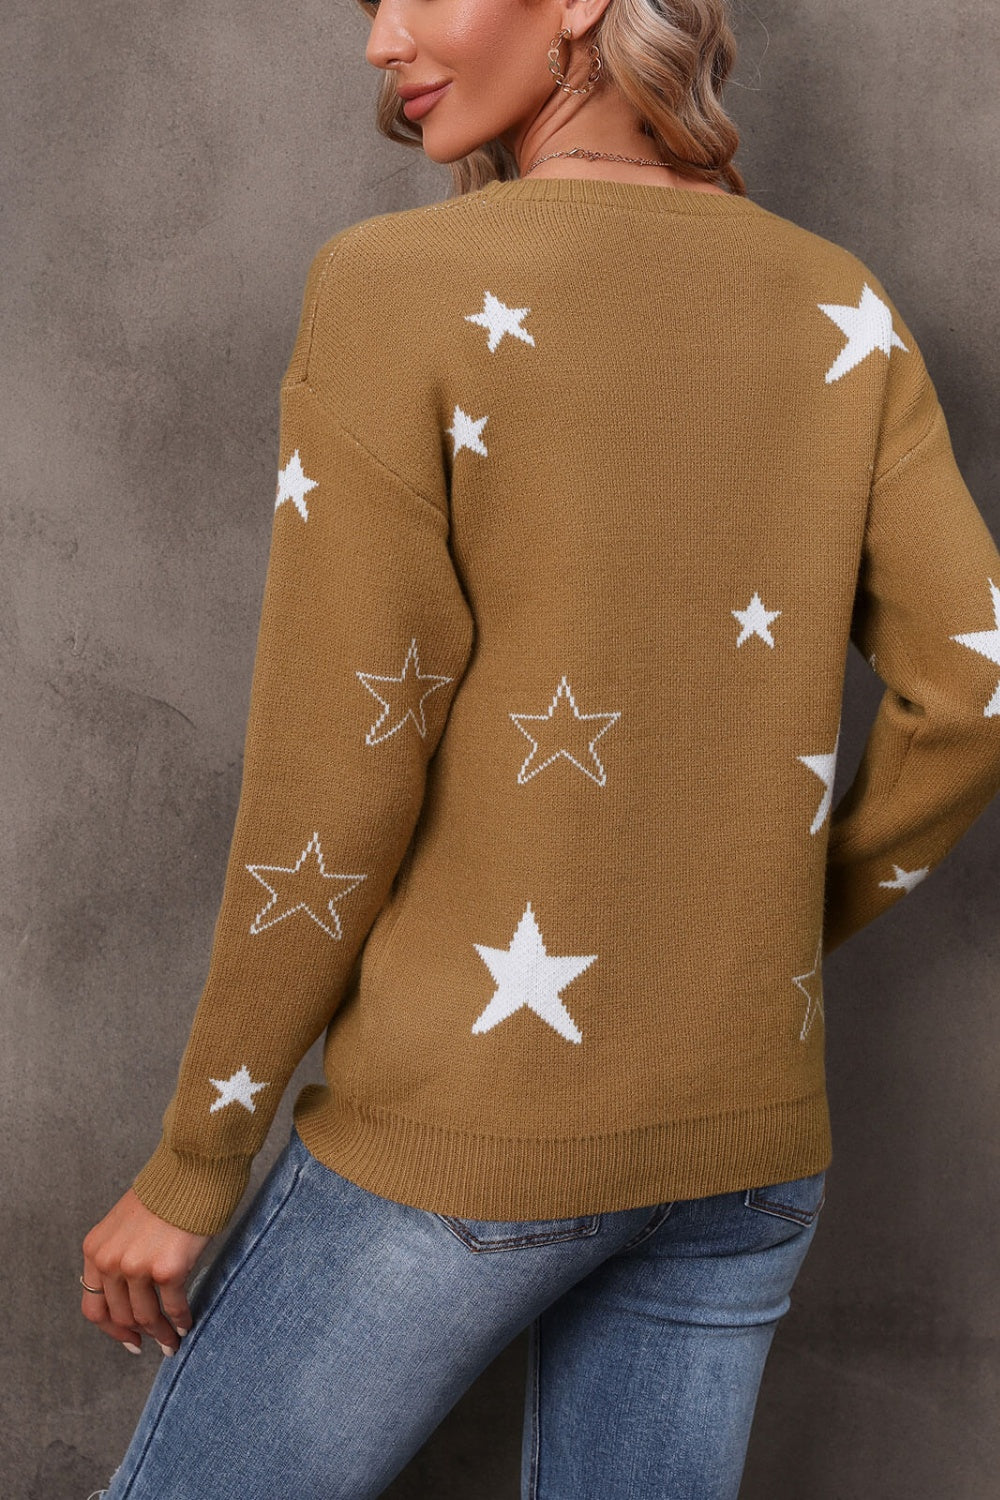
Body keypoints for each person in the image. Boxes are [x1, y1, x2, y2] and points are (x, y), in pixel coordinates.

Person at [81, 0, 1000, 1496]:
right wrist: (753, 935)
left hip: (472, 1127)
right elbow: (975, 688)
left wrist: (196, 1161)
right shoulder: (837, 298)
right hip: (745, 1141)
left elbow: (340, 769)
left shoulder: (394, 285)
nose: (381, 41)